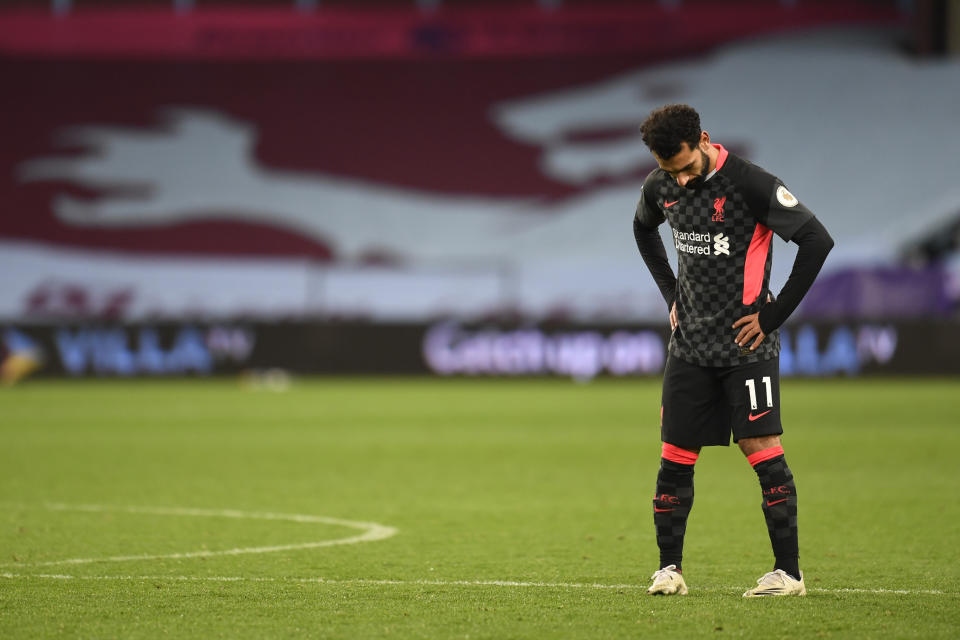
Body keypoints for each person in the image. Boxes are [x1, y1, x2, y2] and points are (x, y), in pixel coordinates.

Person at [632, 104, 833, 597]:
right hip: (690, 346)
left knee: (761, 449)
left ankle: (789, 574)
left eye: (683, 167)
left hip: (747, 347)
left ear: (703, 139)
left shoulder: (751, 184)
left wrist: (770, 318)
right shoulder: (658, 185)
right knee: (675, 455)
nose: (677, 181)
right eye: (668, 171)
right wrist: (670, 294)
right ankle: (669, 570)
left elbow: (816, 241)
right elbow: (643, 229)